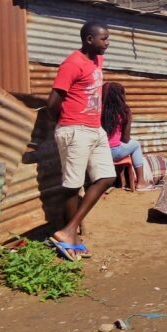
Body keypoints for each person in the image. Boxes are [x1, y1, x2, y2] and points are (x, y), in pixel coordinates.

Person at [47, 21, 115, 259]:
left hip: (95, 129)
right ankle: (70, 235)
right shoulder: (71, 64)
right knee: (73, 185)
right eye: (104, 38)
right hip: (74, 129)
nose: (107, 42)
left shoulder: (97, 60)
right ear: (89, 40)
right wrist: (67, 122)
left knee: (107, 177)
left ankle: (68, 230)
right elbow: (52, 103)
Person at [101, 82, 154, 191]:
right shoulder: (124, 111)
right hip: (114, 152)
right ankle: (141, 182)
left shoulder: (98, 110)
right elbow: (125, 139)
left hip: (99, 152)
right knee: (135, 145)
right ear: (120, 96)